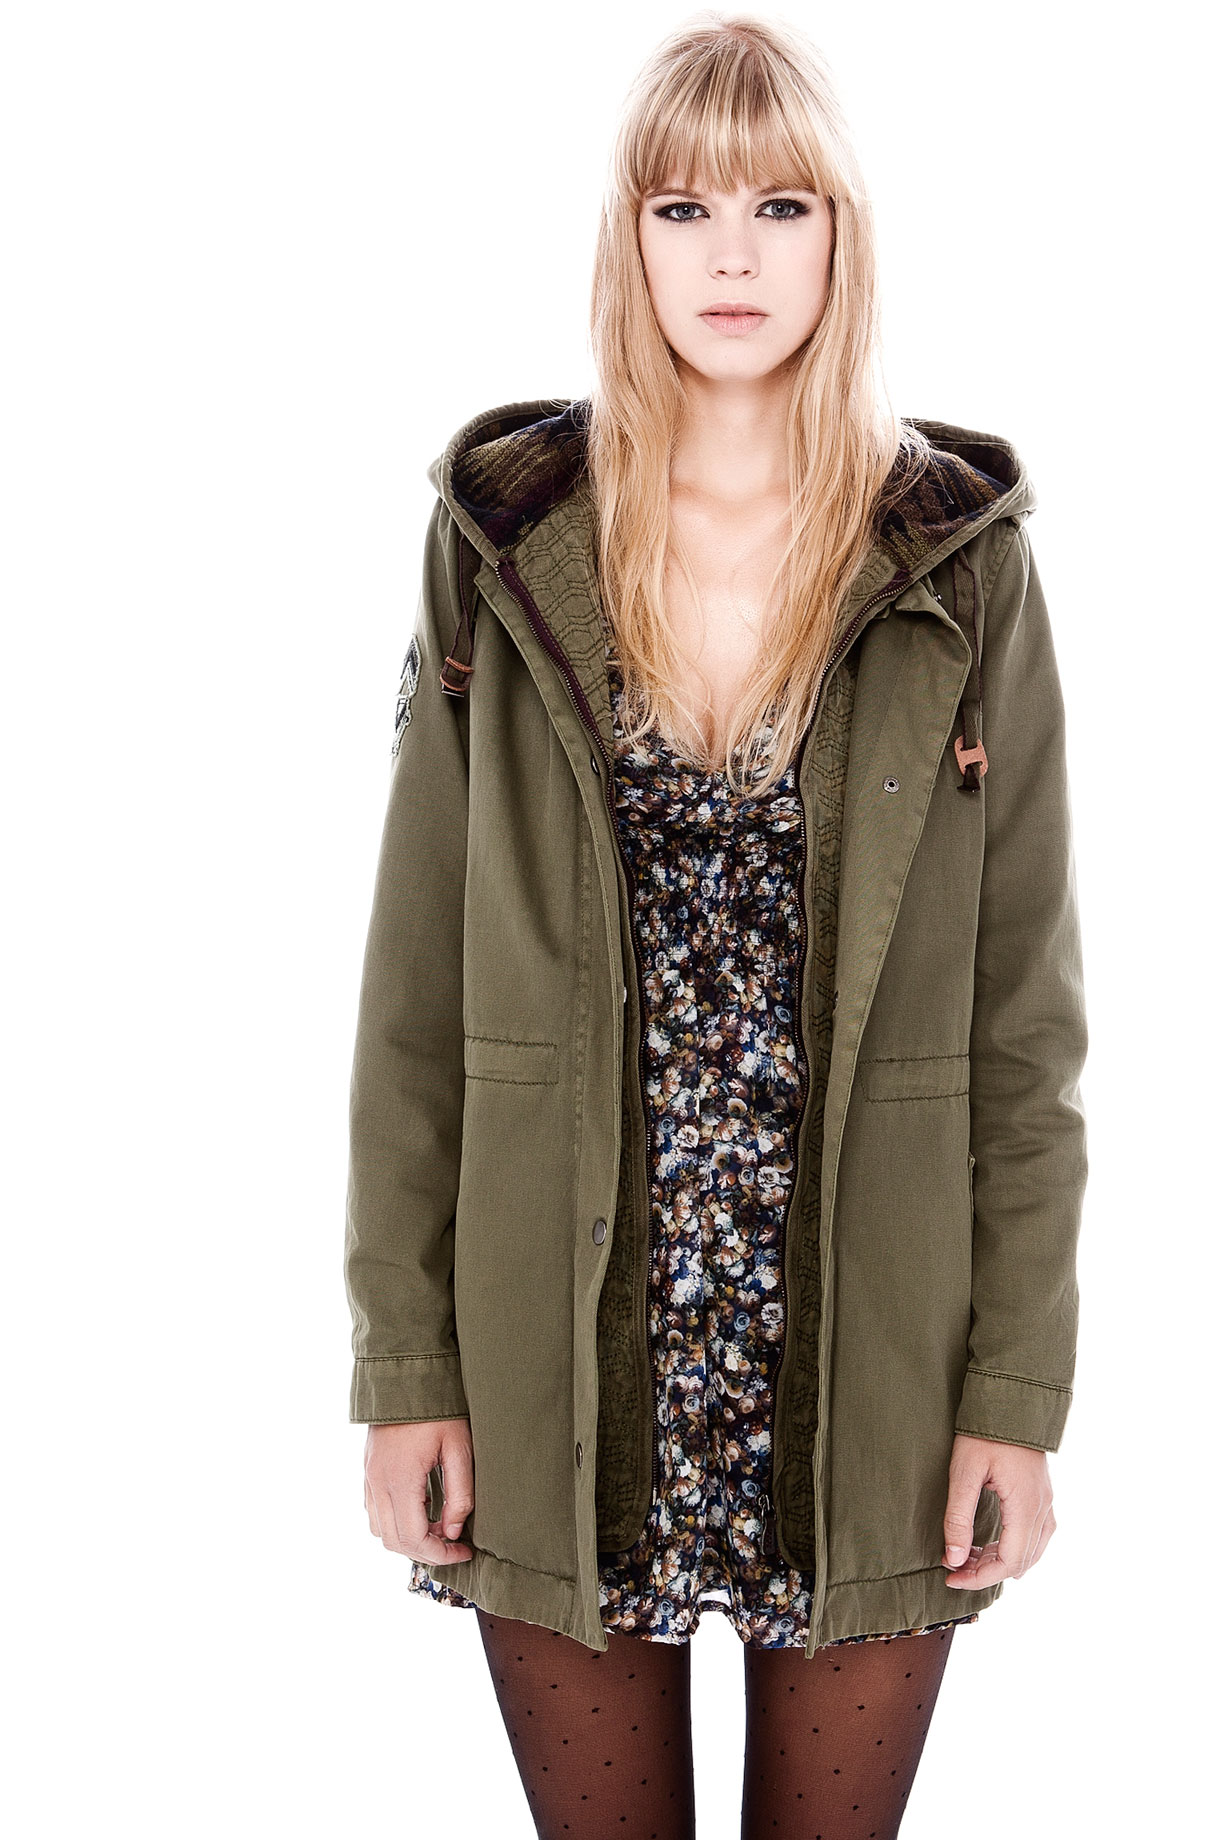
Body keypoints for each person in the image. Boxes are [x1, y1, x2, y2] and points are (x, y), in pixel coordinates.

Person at [343, 14, 1088, 1837]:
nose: (732, 254)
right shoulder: (507, 544)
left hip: (869, 1365)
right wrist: (407, 1364)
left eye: (780, 205)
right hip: (561, 1350)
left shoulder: (958, 563)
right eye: (682, 208)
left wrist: (1014, 1389)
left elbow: (1025, 1025)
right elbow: (417, 986)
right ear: (631, 238)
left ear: (842, 234)